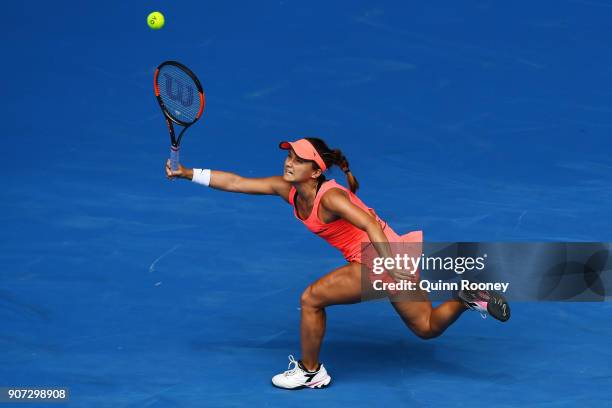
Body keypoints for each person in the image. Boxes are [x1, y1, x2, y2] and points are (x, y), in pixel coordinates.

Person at [165, 137, 510, 390]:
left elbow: (369, 225)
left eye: (299, 160)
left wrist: (389, 264)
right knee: (426, 327)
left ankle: (311, 370)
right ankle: (466, 298)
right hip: (398, 254)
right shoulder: (287, 189)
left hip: (381, 256)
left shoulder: (329, 196)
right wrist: (186, 172)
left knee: (311, 298)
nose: (289, 163)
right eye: (289, 156)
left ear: (315, 171)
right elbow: (238, 182)